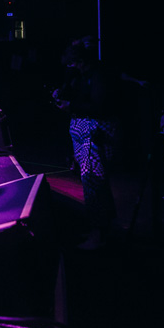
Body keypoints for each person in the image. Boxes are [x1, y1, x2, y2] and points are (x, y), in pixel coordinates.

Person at [53, 41, 122, 250]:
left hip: (95, 134)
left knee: (94, 183)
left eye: (73, 64)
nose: (71, 69)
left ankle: (99, 234)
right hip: (88, 133)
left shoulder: (99, 76)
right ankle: (100, 230)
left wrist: (71, 106)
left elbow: (98, 106)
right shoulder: (84, 76)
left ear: (81, 61)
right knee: (93, 183)